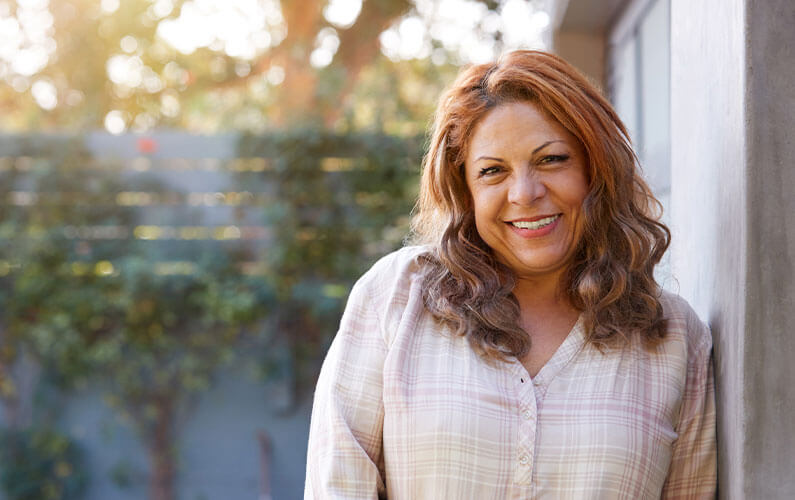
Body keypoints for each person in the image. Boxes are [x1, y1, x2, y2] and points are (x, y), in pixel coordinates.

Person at [304, 50, 716, 499]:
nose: (524, 193)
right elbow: (337, 486)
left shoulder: (675, 338)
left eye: (551, 159)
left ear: (596, 169)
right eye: (493, 171)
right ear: (466, 189)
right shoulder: (396, 298)